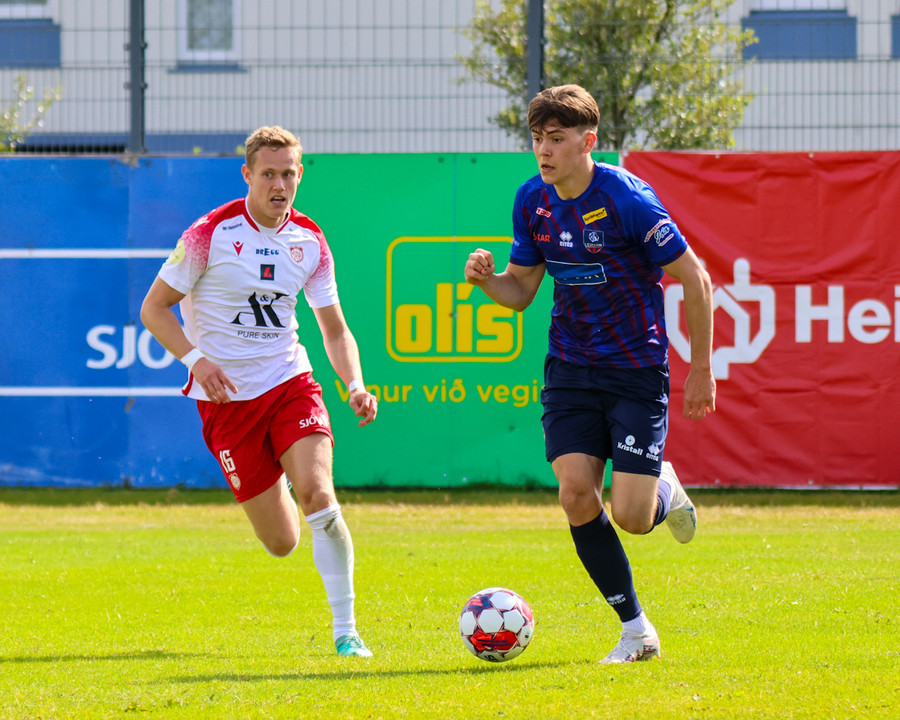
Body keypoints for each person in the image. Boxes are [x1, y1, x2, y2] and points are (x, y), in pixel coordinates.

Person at [464, 85, 716, 663]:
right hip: (570, 370)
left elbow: (696, 279)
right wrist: (486, 281)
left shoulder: (629, 199)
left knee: (631, 516)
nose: (543, 151)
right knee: (576, 495)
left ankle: (664, 489)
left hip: (635, 370)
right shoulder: (532, 200)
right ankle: (636, 632)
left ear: (587, 141)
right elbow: (521, 291)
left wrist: (701, 368)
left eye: (556, 139)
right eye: (537, 139)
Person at [140, 125, 378, 658]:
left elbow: (334, 330)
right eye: (268, 174)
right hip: (226, 404)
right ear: (247, 174)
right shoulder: (210, 233)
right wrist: (197, 361)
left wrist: (355, 383)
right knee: (282, 541)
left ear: (300, 175)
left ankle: (347, 633)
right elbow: (154, 309)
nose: (279, 185)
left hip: (290, 383)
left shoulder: (310, 240)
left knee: (319, 495)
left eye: (288, 174)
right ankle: (280, 481)